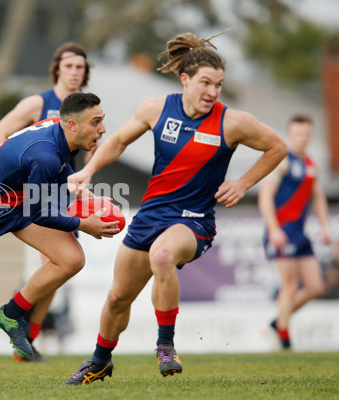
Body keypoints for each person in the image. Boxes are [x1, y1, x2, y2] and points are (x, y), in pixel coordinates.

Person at [63, 31, 288, 385]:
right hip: (151, 215)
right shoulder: (156, 109)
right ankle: (99, 361)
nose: (213, 92)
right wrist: (88, 171)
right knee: (117, 297)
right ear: (185, 80)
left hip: (194, 222)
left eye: (218, 84)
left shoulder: (232, 122)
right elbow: (119, 141)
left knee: (164, 254)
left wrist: (243, 183)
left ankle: (165, 345)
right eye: (205, 83)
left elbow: (277, 147)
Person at [0, 92, 120, 381]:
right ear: (72, 125)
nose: (102, 129)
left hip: (21, 200)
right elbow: (40, 213)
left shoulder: (60, 134)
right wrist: (84, 223)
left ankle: (11, 313)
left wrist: (87, 197)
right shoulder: (45, 154)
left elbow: (57, 181)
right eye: (96, 122)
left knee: (71, 259)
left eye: (102, 121)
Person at [0, 42, 91, 362]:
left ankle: (25, 342)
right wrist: (12, 180)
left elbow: (87, 157)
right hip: (30, 199)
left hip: (61, 198)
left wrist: (85, 186)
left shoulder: (85, 109)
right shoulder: (37, 103)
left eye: (81, 67)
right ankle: (20, 332)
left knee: (58, 269)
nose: (75, 72)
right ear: (57, 68)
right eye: (69, 66)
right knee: (50, 265)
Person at [258, 115, 329, 350]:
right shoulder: (283, 160)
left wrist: (324, 226)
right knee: (289, 284)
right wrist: (273, 229)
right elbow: (265, 196)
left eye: (306, 135)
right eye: (298, 134)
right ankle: (284, 339)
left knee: (315, 287)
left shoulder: (310, 164)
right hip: (281, 231)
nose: (303, 139)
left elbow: (317, 197)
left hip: (300, 233)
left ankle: (277, 323)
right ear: (290, 135)